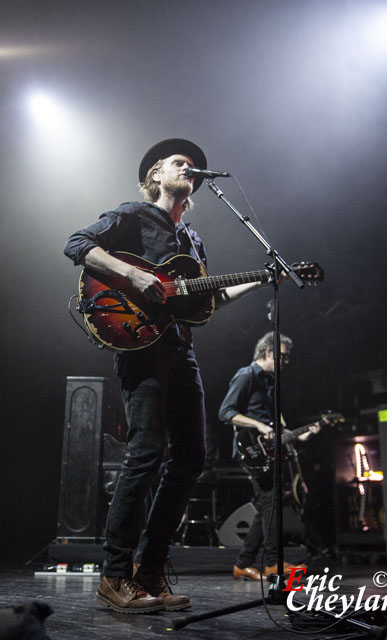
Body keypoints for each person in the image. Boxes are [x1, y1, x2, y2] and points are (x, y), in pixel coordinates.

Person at [64, 138, 271, 613]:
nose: (191, 167)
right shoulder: (133, 215)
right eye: (181, 163)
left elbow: (207, 302)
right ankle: (114, 576)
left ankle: (149, 571)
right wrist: (134, 277)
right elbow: (76, 245)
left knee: (192, 458)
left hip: (181, 348)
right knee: (146, 453)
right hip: (140, 344)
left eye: (195, 165)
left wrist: (260, 278)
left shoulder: (193, 240)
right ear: (156, 175)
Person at [218, 331, 320, 581]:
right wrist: (258, 426)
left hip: (268, 452)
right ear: (268, 353)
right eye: (283, 357)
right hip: (251, 451)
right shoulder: (246, 375)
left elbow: (274, 426)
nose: (286, 362)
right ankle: (272, 563)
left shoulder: (269, 383)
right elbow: (226, 412)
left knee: (267, 506)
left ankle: (243, 563)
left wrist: (301, 434)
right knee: (271, 503)